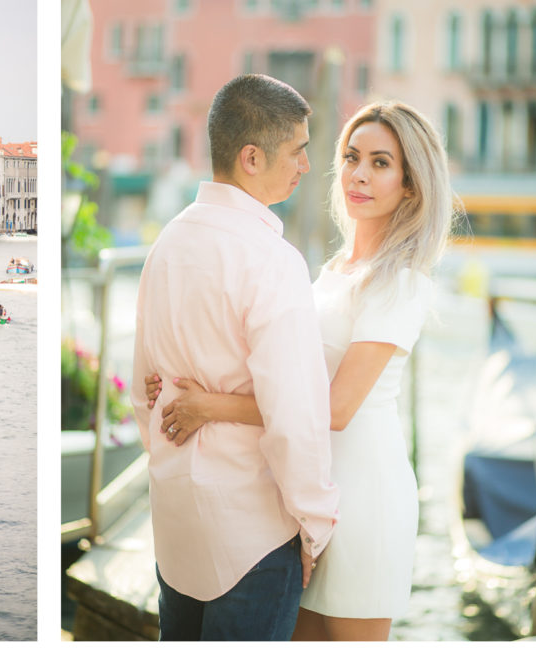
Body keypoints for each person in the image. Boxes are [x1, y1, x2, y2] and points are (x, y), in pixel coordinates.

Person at [145, 100, 456, 641]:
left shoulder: (401, 283)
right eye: (353, 156)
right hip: (297, 499)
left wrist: (208, 406)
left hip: (361, 495)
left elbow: (333, 409)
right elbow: (277, 372)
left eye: (381, 163)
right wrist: (174, 382)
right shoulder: (333, 271)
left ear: (411, 185)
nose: (359, 174)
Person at [130, 74, 340, 641]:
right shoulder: (273, 260)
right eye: (297, 150)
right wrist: (314, 525)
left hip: (176, 523)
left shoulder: (166, 243)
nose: (304, 165)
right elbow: (296, 413)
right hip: (252, 531)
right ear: (252, 157)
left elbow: (140, 389)